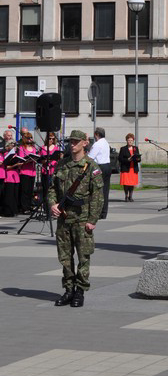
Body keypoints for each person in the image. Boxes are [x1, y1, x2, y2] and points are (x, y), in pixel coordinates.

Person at [47, 129, 103, 307]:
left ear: (85, 143)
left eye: (76, 141)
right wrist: (53, 204)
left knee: (83, 256)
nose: (72, 144)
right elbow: (52, 188)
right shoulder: (62, 164)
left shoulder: (92, 167)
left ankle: (80, 291)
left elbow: (98, 196)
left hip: (82, 218)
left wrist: (92, 220)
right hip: (64, 218)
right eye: (70, 141)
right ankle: (69, 290)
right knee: (65, 257)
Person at [88, 127, 112, 219]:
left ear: (96, 134)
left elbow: (90, 157)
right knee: (105, 190)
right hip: (107, 166)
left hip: (100, 167)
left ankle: (98, 211)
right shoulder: (105, 142)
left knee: (97, 190)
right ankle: (104, 212)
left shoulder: (97, 144)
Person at [17, 129, 38, 214]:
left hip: (32, 171)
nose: (30, 139)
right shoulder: (22, 148)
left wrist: (36, 159)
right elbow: (21, 159)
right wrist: (28, 160)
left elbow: (35, 157)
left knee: (30, 190)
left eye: (31, 138)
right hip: (24, 171)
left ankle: (29, 206)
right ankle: (24, 208)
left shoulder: (33, 148)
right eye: (28, 138)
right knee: (24, 190)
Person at [118, 133, 141, 201]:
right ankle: (126, 196)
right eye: (128, 140)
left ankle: (130, 196)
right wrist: (127, 159)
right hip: (126, 168)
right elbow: (120, 158)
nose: (130, 141)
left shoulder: (135, 148)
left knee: (132, 183)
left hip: (133, 168)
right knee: (126, 183)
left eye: (131, 140)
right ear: (126, 141)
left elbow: (139, 159)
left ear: (133, 141)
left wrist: (137, 159)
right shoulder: (123, 149)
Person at [1, 140, 21, 217]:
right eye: (12, 144)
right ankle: (7, 211)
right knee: (9, 195)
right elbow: (6, 167)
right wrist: (15, 164)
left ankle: (14, 210)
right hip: (9, 176)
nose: (13, 146)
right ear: (8, 146)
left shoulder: (15, 155)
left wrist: (20, 164)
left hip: (16, 175)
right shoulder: (6, 155)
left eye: (14, 145)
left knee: (15, 194)